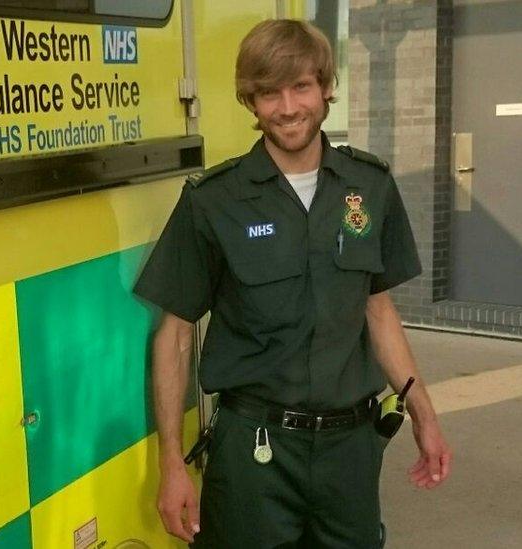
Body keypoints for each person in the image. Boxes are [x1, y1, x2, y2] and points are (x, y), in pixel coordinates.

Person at [133, 19, 452, 548]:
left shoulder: (368, 186)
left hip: (350, 449)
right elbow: (175, 335)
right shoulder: (214, 199)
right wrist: (171, 460)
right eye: (268, 93)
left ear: (326, 87)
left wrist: (424, 413)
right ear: (250, 102)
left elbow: (378, 310)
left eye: (301, 86)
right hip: (253, 451)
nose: (287, 108)